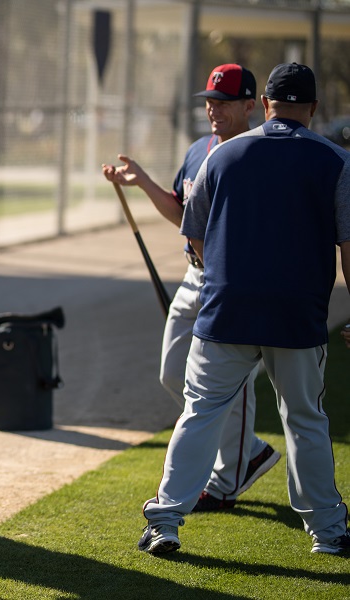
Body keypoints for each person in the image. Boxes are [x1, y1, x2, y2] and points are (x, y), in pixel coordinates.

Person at [139, 62, 350, 555]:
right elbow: (348, 249)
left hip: (226, 308)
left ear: (267, 103)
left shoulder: (222, 154)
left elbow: (191, 233)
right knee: (305, 420)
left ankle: (165, 520)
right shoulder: (337, 160)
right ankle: (328, 531)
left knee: (200, 413)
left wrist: (225, 278)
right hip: (297, 314)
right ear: (313, 109)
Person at [102, 64, 280, 511]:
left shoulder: (259, 152)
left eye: (223, 102)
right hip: (194, 275)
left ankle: (229, 474)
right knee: (173, 372)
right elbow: (185, 214)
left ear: (248, 106)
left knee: (229, 380)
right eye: (209, 101)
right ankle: (252, 450)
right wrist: (142, 181)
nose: (213, 109)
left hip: (232, 283)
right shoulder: (200, 148)